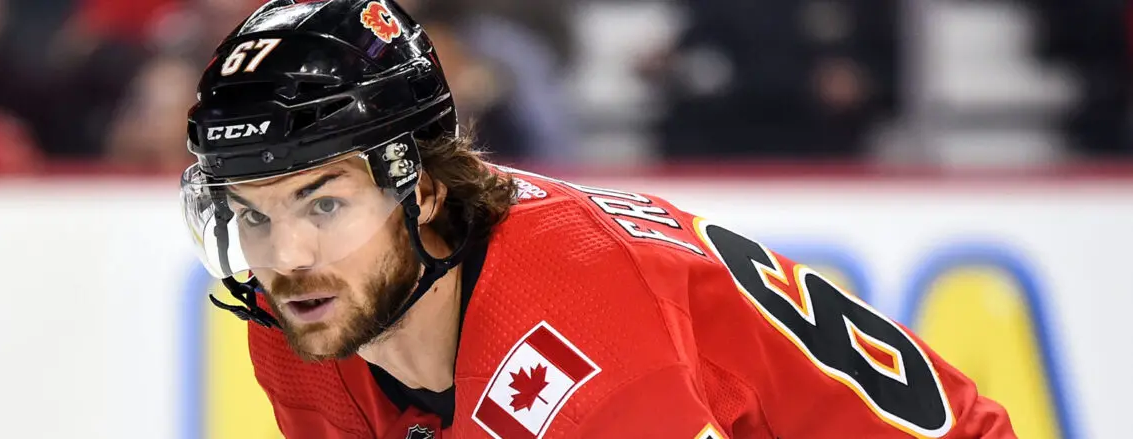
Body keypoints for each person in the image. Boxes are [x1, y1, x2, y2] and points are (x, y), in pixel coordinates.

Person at [180, 1, 1016, 437]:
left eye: (324, 202)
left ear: (424, 189)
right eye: (252, 214)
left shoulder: (581, 325)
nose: (287, 255)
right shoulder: (308, 315)